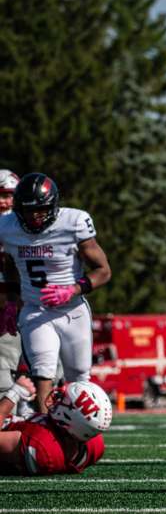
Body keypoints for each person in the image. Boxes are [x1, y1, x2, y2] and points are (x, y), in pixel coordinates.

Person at [0, 173, 112, 412]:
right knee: (42, 372)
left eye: (39, 210)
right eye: (27, 211)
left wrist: (73, 289)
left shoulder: (74, 223)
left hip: (72, 310)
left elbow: (103, 271)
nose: (33, 217)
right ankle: (47, 433)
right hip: (35, 310)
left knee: (79, 379)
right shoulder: (7, 227)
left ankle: (81, 436)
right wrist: (12, 301)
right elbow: (9, 263)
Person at [0, 377, 111, 475]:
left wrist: (13, 395)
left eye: (64, 399)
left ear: (68, 417)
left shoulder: (42, 444)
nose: (58, 396)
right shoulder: (90, 444)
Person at [0, 170, 22, 404]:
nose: (2, 201)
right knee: (4, 374)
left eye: (7, 195)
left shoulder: (25, 227)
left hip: (29, 305)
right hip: (6, 306)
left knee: (43, 370)